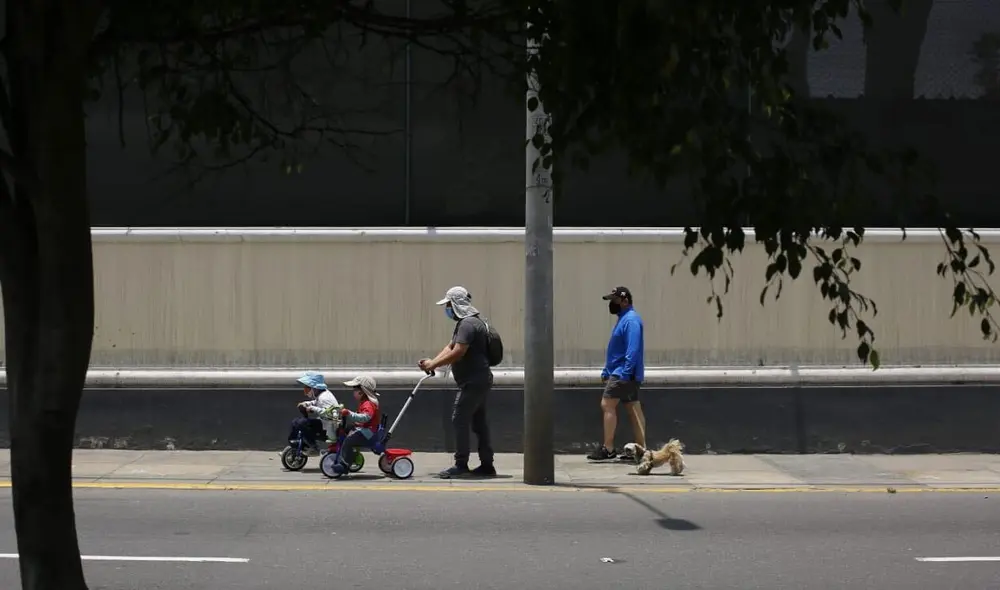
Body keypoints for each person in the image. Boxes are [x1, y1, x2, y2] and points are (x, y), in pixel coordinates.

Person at [418, 285, 496, 478]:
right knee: (478, 423)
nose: (447, 309)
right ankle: (487, 465)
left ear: (455, 304)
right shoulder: (467, 323)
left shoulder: (468, 324)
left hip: (473, 381)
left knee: (459, 418)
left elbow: (458, 351)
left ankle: (461, 464)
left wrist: (433, 365)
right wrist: (432, 363)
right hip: (478, 380)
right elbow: (451, 346)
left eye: (448, 305)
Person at [587, 286, 648, 461]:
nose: (612, 304)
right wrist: (607, 370)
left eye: (614, 300)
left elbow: (633, 349)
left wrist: (625, 373)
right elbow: (617, 350)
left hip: (623, 372)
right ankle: (640, 450)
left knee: (607, 404)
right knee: (632, 408)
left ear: (625, 301)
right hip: (621, 371)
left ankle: (608, 448)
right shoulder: (624, 319)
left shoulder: (631, 320)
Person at [331, 375, 382, 475]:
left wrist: (350, 413)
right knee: (347, 429)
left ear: (362, 391)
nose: (353, 391)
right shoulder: (364, 402)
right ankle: (348, 454)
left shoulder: (368, 403)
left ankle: (345, 465)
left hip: (369, 433)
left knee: (348, 441)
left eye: (355, 389)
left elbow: (366, 417)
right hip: (366, 429)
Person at [288, 371, 340, 456]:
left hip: (329, 428)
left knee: (302, 423)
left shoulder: (325, 397)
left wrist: (312, 408)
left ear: (314, 388)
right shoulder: (321, 395)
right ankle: (297, 446)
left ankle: (313, 447)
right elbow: (315, 402)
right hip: (324, 424)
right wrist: (307, 404)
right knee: (295, 422)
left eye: (307, 388)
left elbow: (329, 413)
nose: (305, 391)